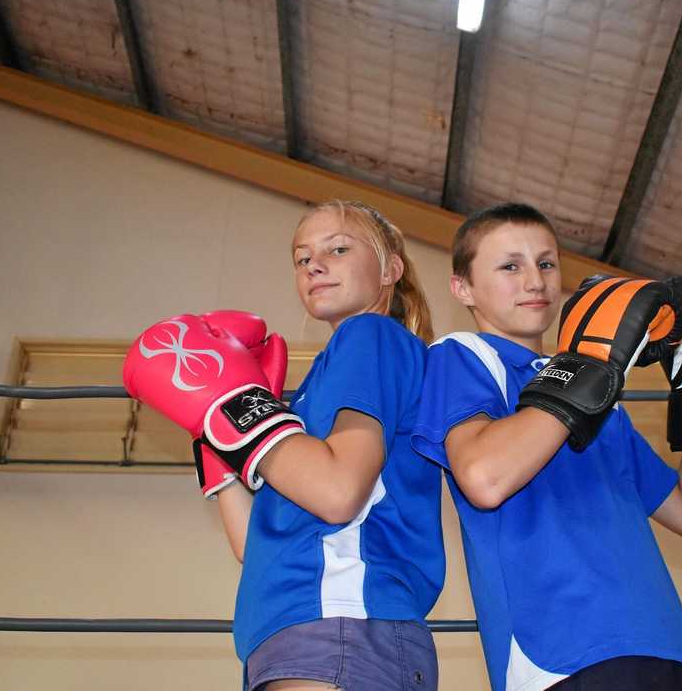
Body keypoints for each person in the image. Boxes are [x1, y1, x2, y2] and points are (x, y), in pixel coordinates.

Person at [411, 202, 682, 691]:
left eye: (546, 263)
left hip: (663, 641)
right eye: (510, 265)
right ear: (462, 286)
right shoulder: (465, 354)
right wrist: (589, 367)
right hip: (561, 649)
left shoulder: (602, 394)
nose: (535, 281)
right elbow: (483, 476)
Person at [124, 200, 445, 691]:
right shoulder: (316, 386)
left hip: (341, 620)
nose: (315, 265)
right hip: (295, 629)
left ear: (390, 269)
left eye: (337, 248)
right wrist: (212, 434)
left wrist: (235, 408)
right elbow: (251, 544)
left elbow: (338, 491)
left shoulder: (371, 336)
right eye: (302, 258)